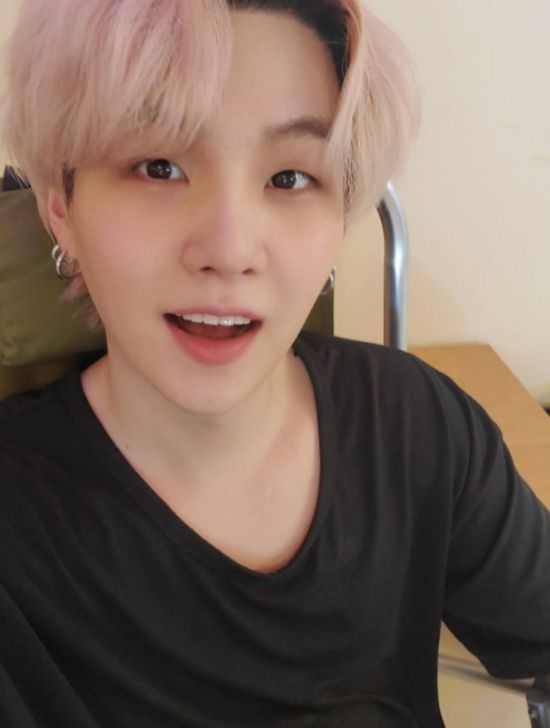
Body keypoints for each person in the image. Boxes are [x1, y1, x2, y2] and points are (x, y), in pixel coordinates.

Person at [0, 1, 548, 726]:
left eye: (290, 178)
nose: (230, 250)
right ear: (62, 208)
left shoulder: (417, 426)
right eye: (159, 167)